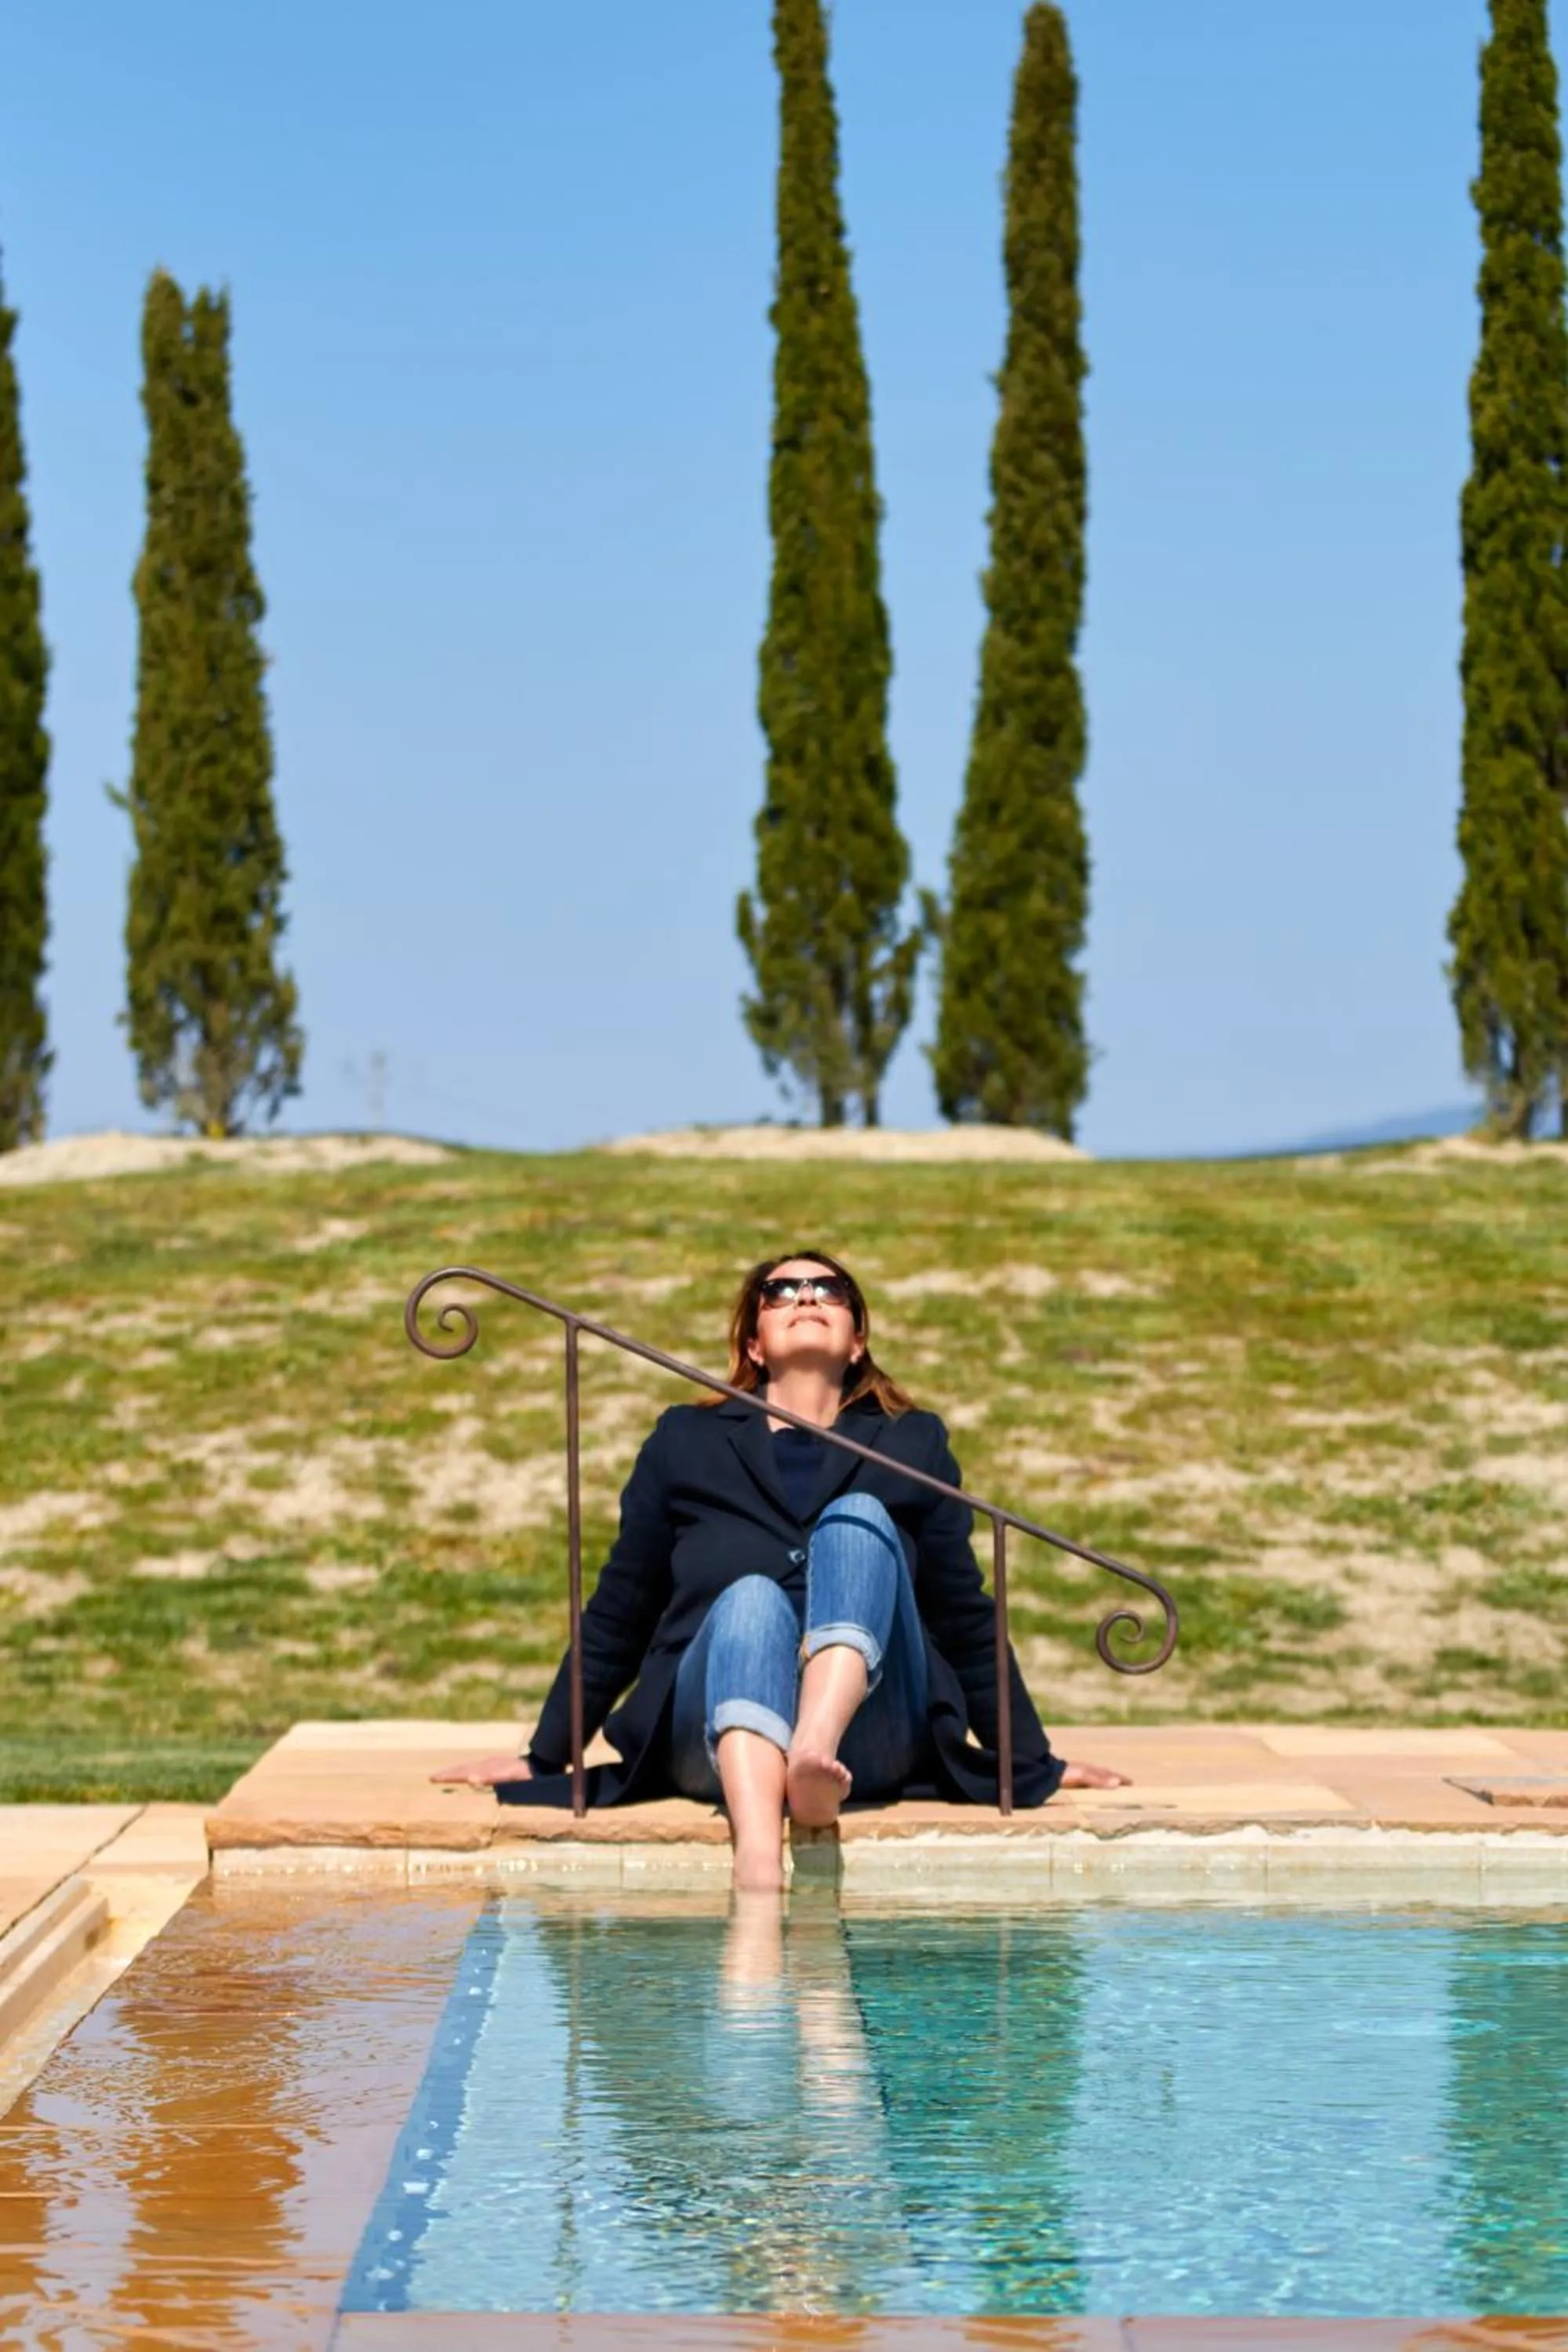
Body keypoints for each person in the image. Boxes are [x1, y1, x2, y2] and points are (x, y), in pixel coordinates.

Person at [433, 1250, 1128, 1887]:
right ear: (752, 1344)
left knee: (859, 1521)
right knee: (750, 1599)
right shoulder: (685, 1440)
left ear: (857, 1340)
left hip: (873, 1735)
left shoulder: (911, 1441)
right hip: (708, 1731)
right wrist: (545, 1755)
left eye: (829, 1289)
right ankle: (759, 1857)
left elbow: (961, 1611)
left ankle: (812, 1754)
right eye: (781, 1291)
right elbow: (623, 1606)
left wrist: (1033, 1761)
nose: (806, 1295)